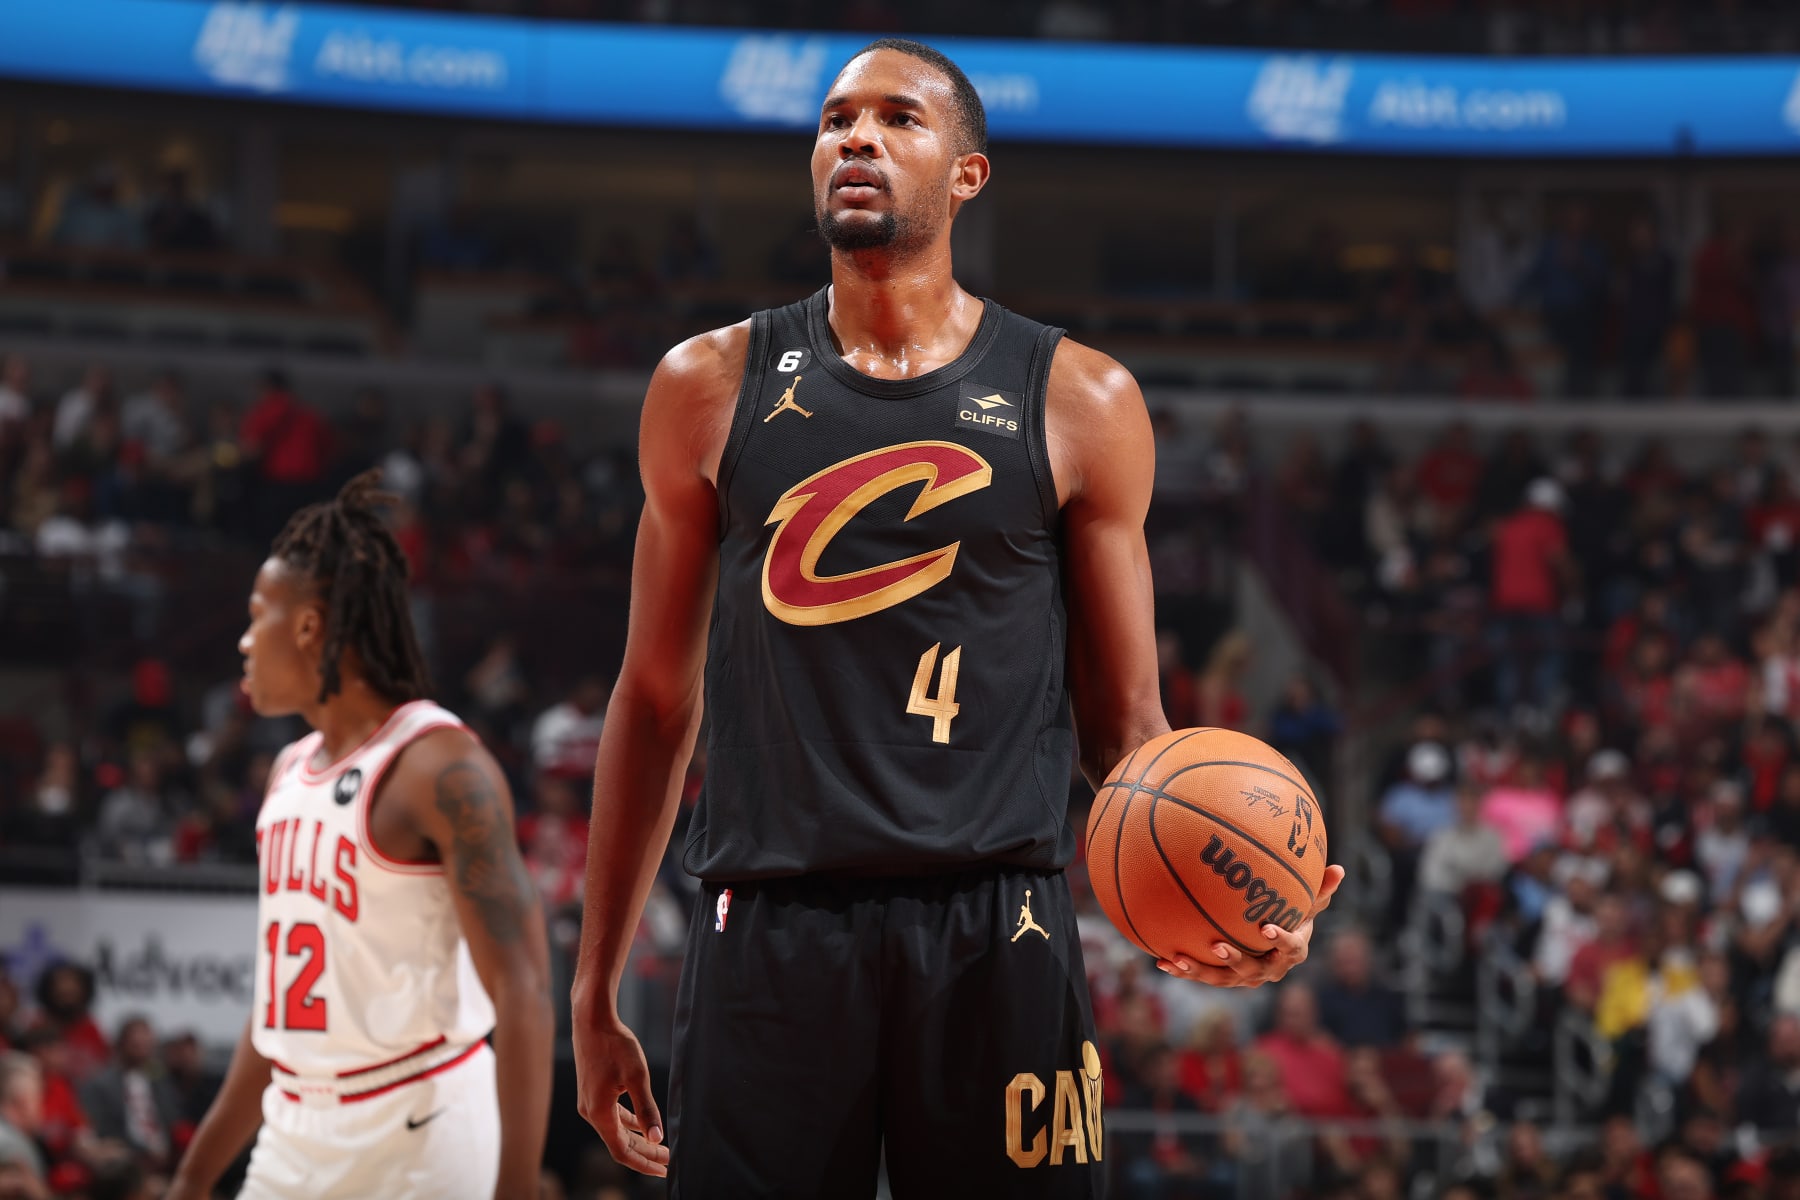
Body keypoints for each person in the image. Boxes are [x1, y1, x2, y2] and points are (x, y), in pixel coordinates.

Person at [568, 38, 1343, 1197]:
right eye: (835, 120)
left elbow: (1126, 727)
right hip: (773, 922)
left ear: (968, 175)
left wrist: (1226, 896)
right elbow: (653, 699)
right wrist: (594, 990)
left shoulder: (1083, 399)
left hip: (1001, 929)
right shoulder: (707, 385)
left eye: (897, 119)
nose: (857, 139)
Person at [166, 471, 551, 1200]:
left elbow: (523, 989)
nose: (245, 642)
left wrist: (518, 1190)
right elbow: (277, 1014)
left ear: (309, 625)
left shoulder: (438, 765)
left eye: (257, 617)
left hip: (421, 1121)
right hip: (295, 1131)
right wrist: (190, 1181)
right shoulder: (283, 774)